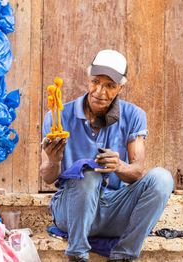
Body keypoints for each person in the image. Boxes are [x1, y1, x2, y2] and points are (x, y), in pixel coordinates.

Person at [39, 50, 173, 262]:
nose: (100, 91)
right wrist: (54, 160)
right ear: (88, 78)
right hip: (72, 213)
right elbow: (48, 177)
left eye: (110, 85)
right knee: (88, 173)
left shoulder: (134, 115)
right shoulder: (58, 115)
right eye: (95, 82)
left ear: (121, 87)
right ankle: (77, 255)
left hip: (114, 210)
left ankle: (123, 255)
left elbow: (136, 172)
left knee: (163, 178)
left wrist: (119, 166)